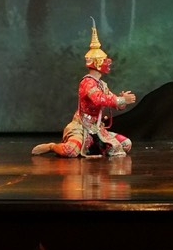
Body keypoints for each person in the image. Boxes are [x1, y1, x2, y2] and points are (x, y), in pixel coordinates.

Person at [32, 22, 136, 158]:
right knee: (70, 151)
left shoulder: (102, 84)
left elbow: (112, 101)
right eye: (104, 60)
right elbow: (99, 99)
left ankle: (95, 147)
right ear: (97, 63)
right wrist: (121, 100)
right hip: (81, 127)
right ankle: (52, 146)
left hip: (96, 129)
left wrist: (123, 101)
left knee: (126, 144)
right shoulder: (87, 83)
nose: (108, 63)